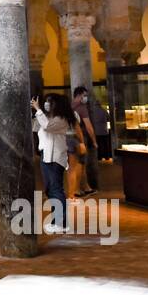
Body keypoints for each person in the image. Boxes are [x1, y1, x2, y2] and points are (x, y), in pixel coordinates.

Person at [32, 94, 82, 231]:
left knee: (56, 189)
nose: (47, 104)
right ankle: (56, 220)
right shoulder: (50, 118)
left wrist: (38, 109)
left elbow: (47, 127)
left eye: (49, 102)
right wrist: (37, 113)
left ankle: (62, 223)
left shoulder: (62, 119)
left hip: (55, 157)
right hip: (46, 156)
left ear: (56, 105)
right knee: (50, 189)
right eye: (46, 102)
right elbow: (36, 128)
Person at [72, 86, 99, 194]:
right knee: (80, 164)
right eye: (84, 95)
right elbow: (88, 127)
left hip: (69, 138)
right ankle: (76, 189)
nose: (85, 98)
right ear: (79, 95)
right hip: (80, 137)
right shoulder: (82, 108)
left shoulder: (69, 106)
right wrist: (94, 141)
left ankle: (86, 187)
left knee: (78, 163)